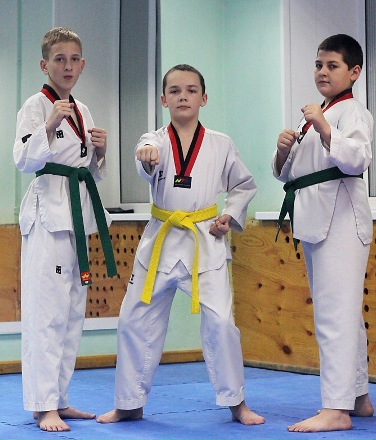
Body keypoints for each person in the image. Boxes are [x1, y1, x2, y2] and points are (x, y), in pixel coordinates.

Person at [97, 64, 264, 426]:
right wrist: (145, 154)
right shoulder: (155, 140)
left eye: (191, 90)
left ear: (204, 98)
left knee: (221, 322)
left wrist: (229, 215)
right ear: (163, 100)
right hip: (161, 238)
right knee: (132, 320)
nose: (183, 96)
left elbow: (244, 185)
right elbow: (145, 153)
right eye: (174, 91)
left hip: (205, 239)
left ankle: (236, 402)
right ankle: (129, 403)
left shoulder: (221, 143)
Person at [13, 27, 116, 432]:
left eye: (74, 59)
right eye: (59, 59)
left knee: (72, 312)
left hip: (78, 214)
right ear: (45, 64)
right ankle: (43, 405)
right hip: (48, 216)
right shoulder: (35, 106)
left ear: (83, 64)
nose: (67, 66)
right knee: (47, 313)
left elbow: (89, 168)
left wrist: (100, 153)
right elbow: (23, 159)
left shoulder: (83, 109)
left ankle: (59, 398)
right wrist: (48, 125)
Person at [273, 34, 375, 432]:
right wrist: (283, 150)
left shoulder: (352, 112)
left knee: (335, 314)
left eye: (332, 65)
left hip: (342, 218)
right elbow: (287, 173)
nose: (322, 72)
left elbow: (358, 158)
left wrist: (324, 127)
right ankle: (358, 396)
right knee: (343, 312)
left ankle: (336, 408)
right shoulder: (316, 115)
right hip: (316, 216)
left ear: (354, 72)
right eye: (318, 65)